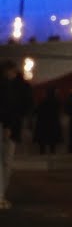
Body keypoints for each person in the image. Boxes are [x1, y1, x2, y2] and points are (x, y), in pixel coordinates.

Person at [1, 59, 34, 209]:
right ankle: (0, 195)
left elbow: (13, 107)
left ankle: (1, 194)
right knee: (6, 163)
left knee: (5, 163)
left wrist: (8, 126)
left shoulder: (13, 87)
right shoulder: (19, 86)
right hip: (10, 127)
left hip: (8, 127)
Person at [34, 89, 62, 155]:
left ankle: (42, 153)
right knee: (53, 144)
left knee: (42, 144)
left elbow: (36, 111)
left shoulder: (42, 102)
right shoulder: (56, 102)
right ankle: (52, 153)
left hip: (43, 124)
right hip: (53, 124)